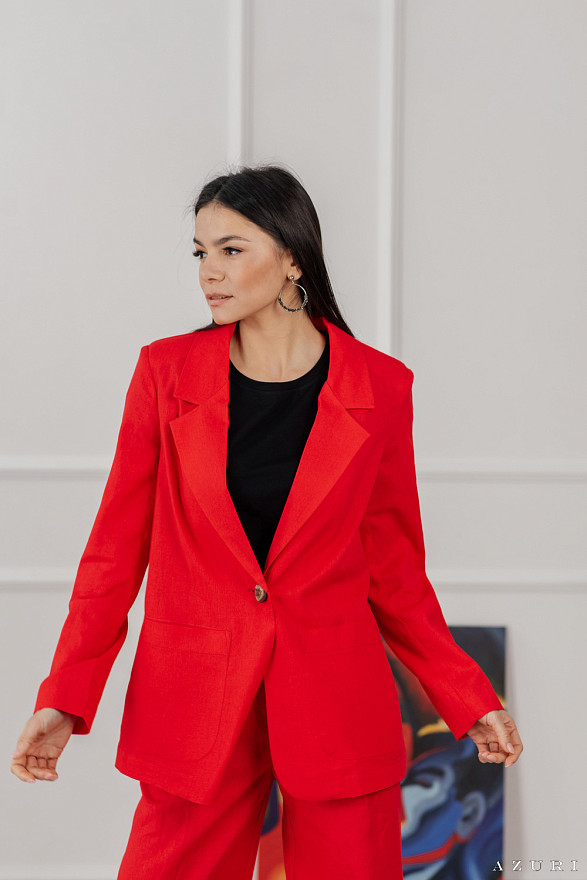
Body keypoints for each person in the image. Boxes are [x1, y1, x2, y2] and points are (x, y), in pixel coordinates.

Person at [10, 164, 523, 879]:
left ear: (290, 256)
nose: (207, 273)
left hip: (336, 704)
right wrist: (64, 698)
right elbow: (113, 555)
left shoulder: (380, 386)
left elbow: (396, 571)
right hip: (193, 699)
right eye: (199, 252)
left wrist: (468, 698)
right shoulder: (165, 374)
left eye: (230, 249)